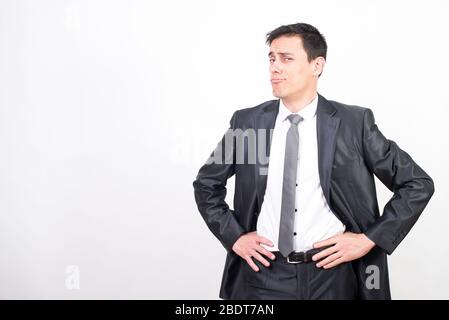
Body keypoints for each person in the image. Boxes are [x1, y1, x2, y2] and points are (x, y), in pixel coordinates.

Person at [192, 22, 434, 300]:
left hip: (333, 276)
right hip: (262, 276)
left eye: (286, 58)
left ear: (316, 65)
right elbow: (206, 184)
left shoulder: (354, 124)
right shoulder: (248, 124)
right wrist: (234, 236)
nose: (274, 67)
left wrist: (369, 239)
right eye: (271, 58)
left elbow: (417, 184)